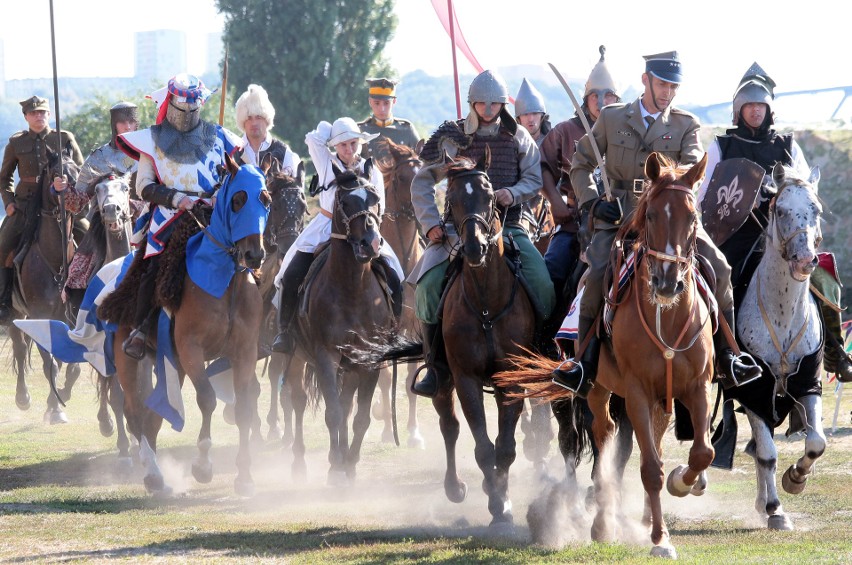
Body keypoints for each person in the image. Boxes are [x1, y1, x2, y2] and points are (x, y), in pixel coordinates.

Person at [551, 51, 761, 397]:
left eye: (673, 86)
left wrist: (674, 182)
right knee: (595, 274)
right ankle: (584, 366)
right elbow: (581, 163)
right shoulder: (612, 118)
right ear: (646, 80)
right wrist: (591, 203)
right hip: (620, 218)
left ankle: (728, 357)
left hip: (671, 220)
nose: (668, 92)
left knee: (721, 269)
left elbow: (693, 167)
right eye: (662, 84)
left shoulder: (685, 124)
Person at [697, 62, 852, 382]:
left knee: (822, 273)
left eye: (761, 106)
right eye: (750, 106)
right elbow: (705, 197)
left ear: (769, 110)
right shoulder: (721, 146)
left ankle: (835, 350)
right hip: (738, 236)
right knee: (722, 280)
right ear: (739, 110)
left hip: (786, 236)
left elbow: (807, 188)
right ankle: (721, 356)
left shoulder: (786, 145)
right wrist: (742, 200)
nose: (756, 111)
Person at [408, 69, 556, 397]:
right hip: (455, 228)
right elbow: (422, 181)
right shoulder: (451, 137)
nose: (488, 109)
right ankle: (435, 366)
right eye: (481, 103)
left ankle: (543, 354)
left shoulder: (517, 136)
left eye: (494, 103)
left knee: (543, 285)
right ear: (472, 102)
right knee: (427, 288)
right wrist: (431, 223)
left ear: (503, 103)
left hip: (510, 226)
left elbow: (534, 179)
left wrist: (512, 193)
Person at [115, 73, 242, 359]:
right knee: (153, 265)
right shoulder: (152, 139)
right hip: (169, 217)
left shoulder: (218, 136)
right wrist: (179, 199)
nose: (187, 114)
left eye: (193, 108)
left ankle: (256, 322)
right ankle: (140, 327)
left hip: (214, 215)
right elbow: (143, 186)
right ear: (171, 103)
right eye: (182, 108)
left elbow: (238, 173)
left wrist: (219, 193)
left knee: (248, 254)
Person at [270, 117, 405, 354]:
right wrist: (330, 131)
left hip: (364, 228)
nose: (349, 149)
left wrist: (371, 232)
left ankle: (394, 331)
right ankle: (285, 331)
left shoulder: (370, 169)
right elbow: (312, 139)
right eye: (343, 145)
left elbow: (379, 206)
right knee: (289, 274)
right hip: (325, 227)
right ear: (334, 146)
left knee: (395, 273)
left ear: (360, 143)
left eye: (353, 143)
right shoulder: (325, 162)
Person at [539, 46, 621, 335]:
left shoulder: (627, 131)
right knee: (551, 273)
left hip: (618, 224)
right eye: (594, 96)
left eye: (607, 95)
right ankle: (544, 339)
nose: (600, 101)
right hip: (574, 223)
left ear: (616, 98)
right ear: (586, 99)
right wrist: (555, 202)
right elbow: (542, 166)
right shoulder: (564, 130)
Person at [0, 95, 84, 323]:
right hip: (25, 205)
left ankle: (94, 294)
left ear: (49, 114)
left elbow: (81, 170)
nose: (38, 116)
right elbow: (4, 178)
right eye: (33, 113)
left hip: (61, 203)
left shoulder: (64, 138)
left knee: (90, 235)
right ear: (26, 116)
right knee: (4, 242)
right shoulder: (16, 143)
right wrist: (8, 202)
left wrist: (73, 192)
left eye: (42, 112)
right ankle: (4, 299)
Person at [55, 101, 140, 303]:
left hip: (145, 221)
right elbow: (78, 203)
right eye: (122, 122)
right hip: (101, 226)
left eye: (131, 122)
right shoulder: (98, 159)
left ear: (137, 124)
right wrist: (64, 190)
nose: (127, 127)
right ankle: (80, 319)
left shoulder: (149, 154)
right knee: (76, 276)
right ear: (114, 125)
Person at [233, 84, 302, 177]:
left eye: (258, 117)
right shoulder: (233, 152)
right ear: (243, 121)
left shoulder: (284, 152)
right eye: (249, 118)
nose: (254, 123)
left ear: (266, 119)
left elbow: (294, 189)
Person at [358, 78, 421, 161]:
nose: (382, 108)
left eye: (386, 103)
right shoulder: (359, 130)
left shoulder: (406, 129)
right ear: (370, 101)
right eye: (377, 103)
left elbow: (422, 161)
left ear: (394, 101)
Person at [513, 78, 551, 146]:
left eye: (535, 113)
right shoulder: (511, 145)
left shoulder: (553, 144)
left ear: (542, 117)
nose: (530, 119)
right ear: (518, 119)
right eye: (525, 114)